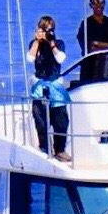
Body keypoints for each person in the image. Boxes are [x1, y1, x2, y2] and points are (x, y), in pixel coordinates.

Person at [27, 15, 71, 161]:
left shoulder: (58, 43)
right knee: (40, 117)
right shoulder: (35, 44)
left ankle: (60, 149)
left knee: (61, 118)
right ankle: (44, 147)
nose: (47, 33)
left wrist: (51, 43)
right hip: (40, 84)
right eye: (44, 29)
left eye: (49, 30)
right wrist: (37, 41)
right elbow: (30, 59)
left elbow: (61, 59)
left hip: (55, 84)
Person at [76, 0, 108, 82]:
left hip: (107, 60)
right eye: (94, 3)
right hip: (89, 63)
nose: (98, 5)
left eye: (101, 2)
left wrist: (98, 43)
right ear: (90, 5)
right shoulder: (85, 23)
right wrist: (106, 45)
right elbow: (86, 46)